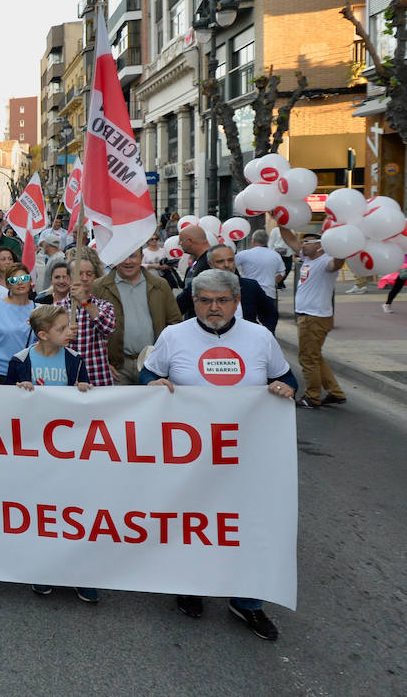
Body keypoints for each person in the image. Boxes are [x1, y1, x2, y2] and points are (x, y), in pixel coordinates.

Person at [140, 268, 296, 641]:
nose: (214, 308)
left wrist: (285, 387)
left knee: (248, 526)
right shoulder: (174, 336)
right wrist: (154, 383)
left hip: (246, 458)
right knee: (193, 523)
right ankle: (191, 586)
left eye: (222, 300)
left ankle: (247, 601)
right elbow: (147, 374)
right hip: (189, 458)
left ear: (236, 301)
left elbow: (287, 378)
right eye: (205, 300)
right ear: (193, 302)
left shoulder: (260, 337)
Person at [5, 304, 97, 602]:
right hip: (34, 449)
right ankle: (43, 569)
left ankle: (79, 572)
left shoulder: (75, 359)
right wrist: (17, 391)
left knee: (73, 509)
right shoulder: (20, 360)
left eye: (68, 326)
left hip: (68, 449)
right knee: (41, 510)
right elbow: (5, 404)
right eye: (62, 328)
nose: (70, 331)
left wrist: (84, 389)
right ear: (43, 334)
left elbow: (84, 400)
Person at [278, 228, 347, 408]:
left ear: (319, 246)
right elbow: (289, 239)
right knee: (315, 356)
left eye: (307, 243)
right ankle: (335, 392)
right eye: (302, 242)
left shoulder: (326, 262)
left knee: (308, 358)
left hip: (314, 317)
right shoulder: (308, 258)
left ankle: (312, 396)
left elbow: (336, 264)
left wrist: (342, 248)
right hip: (309, 316)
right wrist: (280, 220)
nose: (302, 245)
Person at [93, 248, 183, 385]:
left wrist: (167, 358)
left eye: (133, 256)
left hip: (153, 365)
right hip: (117, 367)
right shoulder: (99, 287)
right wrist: (101, 361)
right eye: (123, 256)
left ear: (141, 257)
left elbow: (175, 323)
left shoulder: (160, 285)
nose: (128, 261)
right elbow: (91, 329)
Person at [0, 264, 38, 383]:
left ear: (30, 281)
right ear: (8, 285)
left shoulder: (39, 310)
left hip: (27, 375)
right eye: (14, 280)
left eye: (24, 278)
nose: (20, 282)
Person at [60, 253, 116, 388]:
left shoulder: (105, 306)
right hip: (67, 380)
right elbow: (45, 344)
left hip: (97, 378)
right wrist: (63, 335)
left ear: (94, 278)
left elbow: (108, 328)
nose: (84, 278)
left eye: (89, 274)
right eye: (79, 274)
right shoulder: (57, 309)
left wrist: (85, 301)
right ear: (68, 278)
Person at [204, 245, 278, 332]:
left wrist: (266, 334)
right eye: (220, 261)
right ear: (210, 264)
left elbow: (270, 313)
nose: (227, 265)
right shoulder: (199, 288)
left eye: (230, 260)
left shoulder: (250, 286)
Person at [235, 230, 286, 303]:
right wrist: (273, 282)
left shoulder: (244, 254)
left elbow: (230, 266)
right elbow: (282, 273)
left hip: (248, 293)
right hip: (269, 293)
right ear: (267, 241)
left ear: (253, 241)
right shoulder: (275, 255)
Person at [177, 225, 213, 316]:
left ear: (190, 241)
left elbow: (189, 295)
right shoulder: (200, 261)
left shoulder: (212, 261)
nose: (179, 244)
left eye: (181, 240)